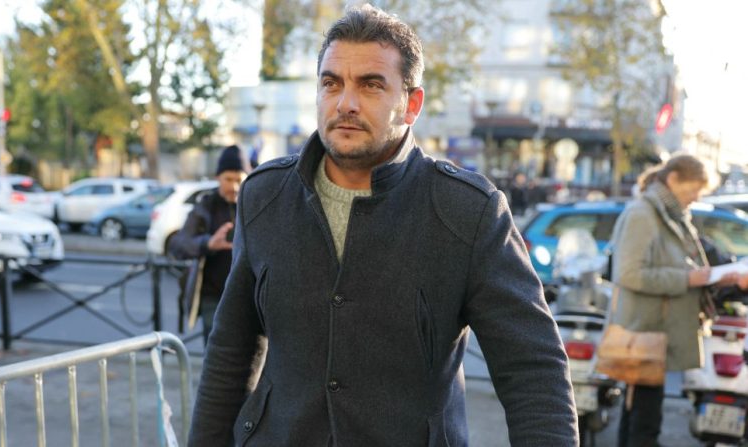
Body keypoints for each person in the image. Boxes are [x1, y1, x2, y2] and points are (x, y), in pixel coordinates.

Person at [188, 5, 577, 446]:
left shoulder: (468, 211)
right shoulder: (263, 195)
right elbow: (231, 351)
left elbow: (532, 369)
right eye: (331, 83)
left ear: (411, 104)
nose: (346, 103)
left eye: (371, 85)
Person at [610, 154, 742, 446]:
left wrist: (718, 276)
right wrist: (688, 279)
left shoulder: (671, 214)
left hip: (657, 333)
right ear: (673, 180)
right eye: (693, 189)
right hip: (644, 335)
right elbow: (629, 274)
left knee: (641, 419)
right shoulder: (644, 214)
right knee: (643, 425)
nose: (696, 197)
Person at [169, 145, 249, 345]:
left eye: (239, 179)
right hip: (213, 297)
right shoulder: (206, 205)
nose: (234, 187)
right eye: (228, 180)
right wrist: (208, 244)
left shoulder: (254, 203)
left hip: (248, 297)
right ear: (217, 178)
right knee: (216, 357)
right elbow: (179, 245)